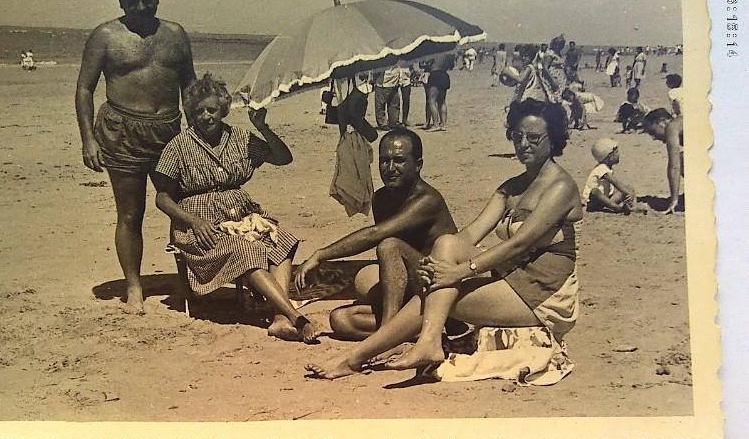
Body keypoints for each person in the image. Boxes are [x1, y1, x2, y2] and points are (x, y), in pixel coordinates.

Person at [306, 99, 581, 380]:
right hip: (511, 278)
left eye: (533, 138)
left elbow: (518, 243)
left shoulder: (561, 187)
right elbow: (470, 234)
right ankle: (413, 344)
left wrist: (459, 272)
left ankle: (361, 357)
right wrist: (435, 263)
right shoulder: (512, 187)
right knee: (445, 249)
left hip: (544, 293)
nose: (523, 144)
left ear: (553, 139)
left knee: (434, 296)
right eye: (517, 135)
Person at [153, 73, 317, 343]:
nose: (206, 116)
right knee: (245, 250)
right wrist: (194, 222)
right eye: (199, 111)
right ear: (191, 113)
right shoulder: (178, 146)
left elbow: (283, 158)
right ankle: (294, 315)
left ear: (223, 109)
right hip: (200, 227)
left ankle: (279, 319)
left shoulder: (240, 138)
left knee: (283, 239)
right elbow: (162, 198)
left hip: (241, 216)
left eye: (212, 110)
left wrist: (263, 127)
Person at [76, 0, 196, 311]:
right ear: (121, 1)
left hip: (169, 131)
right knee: (130, 213)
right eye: (132, 2)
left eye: (147, 0)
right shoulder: (104, 36)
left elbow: (189, 84)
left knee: (183, 208)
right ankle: (134, 287)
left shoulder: (176, 34)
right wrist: (88, 139)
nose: (141, 8)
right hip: (122, 133)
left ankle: (189, 282)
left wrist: (197, 133)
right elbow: (84, 89)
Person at [296, 128, 457, 341]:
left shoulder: (427, 200)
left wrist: (320, 255)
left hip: (439, 287)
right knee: (340, 320)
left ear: (418, 165)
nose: (390, 168)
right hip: (413, 291)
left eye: (399, 160)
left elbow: (376, 235)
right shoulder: (381, 198)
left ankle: (388, 335)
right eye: (384, 161)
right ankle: (406, 330)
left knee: (389, 245)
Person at [581, 137, 645, 214]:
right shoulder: (601, 168)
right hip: (592, 202)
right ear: (609, 156)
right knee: (595, 191)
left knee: (629, 188)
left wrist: (627, 192)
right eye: (616, 152)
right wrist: (626, 192)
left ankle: (632, 206)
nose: (619, 154)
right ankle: (616, 208)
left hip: (605, 200)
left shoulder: (608, 168)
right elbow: (615, 182)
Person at [642, 107, 684, 213]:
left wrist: (674, 201)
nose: (654, 138)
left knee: (682, 160)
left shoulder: (672, 127)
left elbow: (674, 166)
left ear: (662, 122)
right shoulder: (681, 122)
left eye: (653, 132)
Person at [423, 51, 453, 130]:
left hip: (435, 74)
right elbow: (451, 66)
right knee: (442, 101)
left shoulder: (434, 52)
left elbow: (425, 64)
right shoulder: (449, 53)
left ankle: (436, 124)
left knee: (432, 101)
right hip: (444, 75)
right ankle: (443, 124)